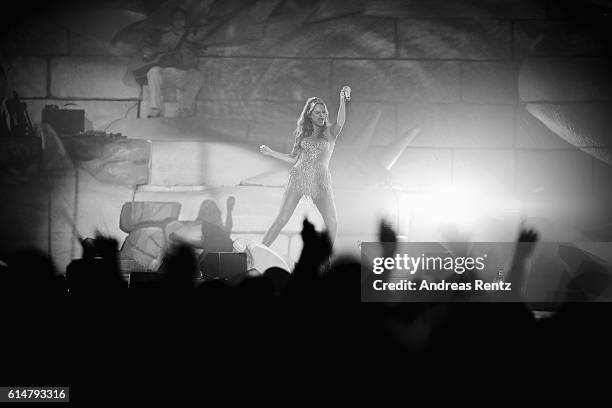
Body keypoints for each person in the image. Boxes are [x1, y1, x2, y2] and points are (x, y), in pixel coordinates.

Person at [259, 86, 351, 248]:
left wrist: (342, 100)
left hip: (320, 181)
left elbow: (341, 121)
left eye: (324, 112)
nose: (322, 115)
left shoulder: (330, 132)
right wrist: (271, 152)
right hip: (299, 177)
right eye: (318, 112)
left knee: (332, 222)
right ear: (309, 115)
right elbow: (292, 158)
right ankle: (257, 252)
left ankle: (325, 259)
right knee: (282, 219)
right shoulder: (303, 134)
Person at [140, 7, 204, 118]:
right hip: (167, 73)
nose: (179, 21)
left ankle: (185, 108)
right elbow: (151, 54)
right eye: (176, 18)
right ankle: (156, 108)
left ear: (185, 21)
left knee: (198, 76)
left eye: (182, 19)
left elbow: (198, 56)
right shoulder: (164, 36)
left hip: (183, 74)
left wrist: (195, 53)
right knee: (153, 71)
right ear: (172, 21)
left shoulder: (192, 38)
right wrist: (157, 50)